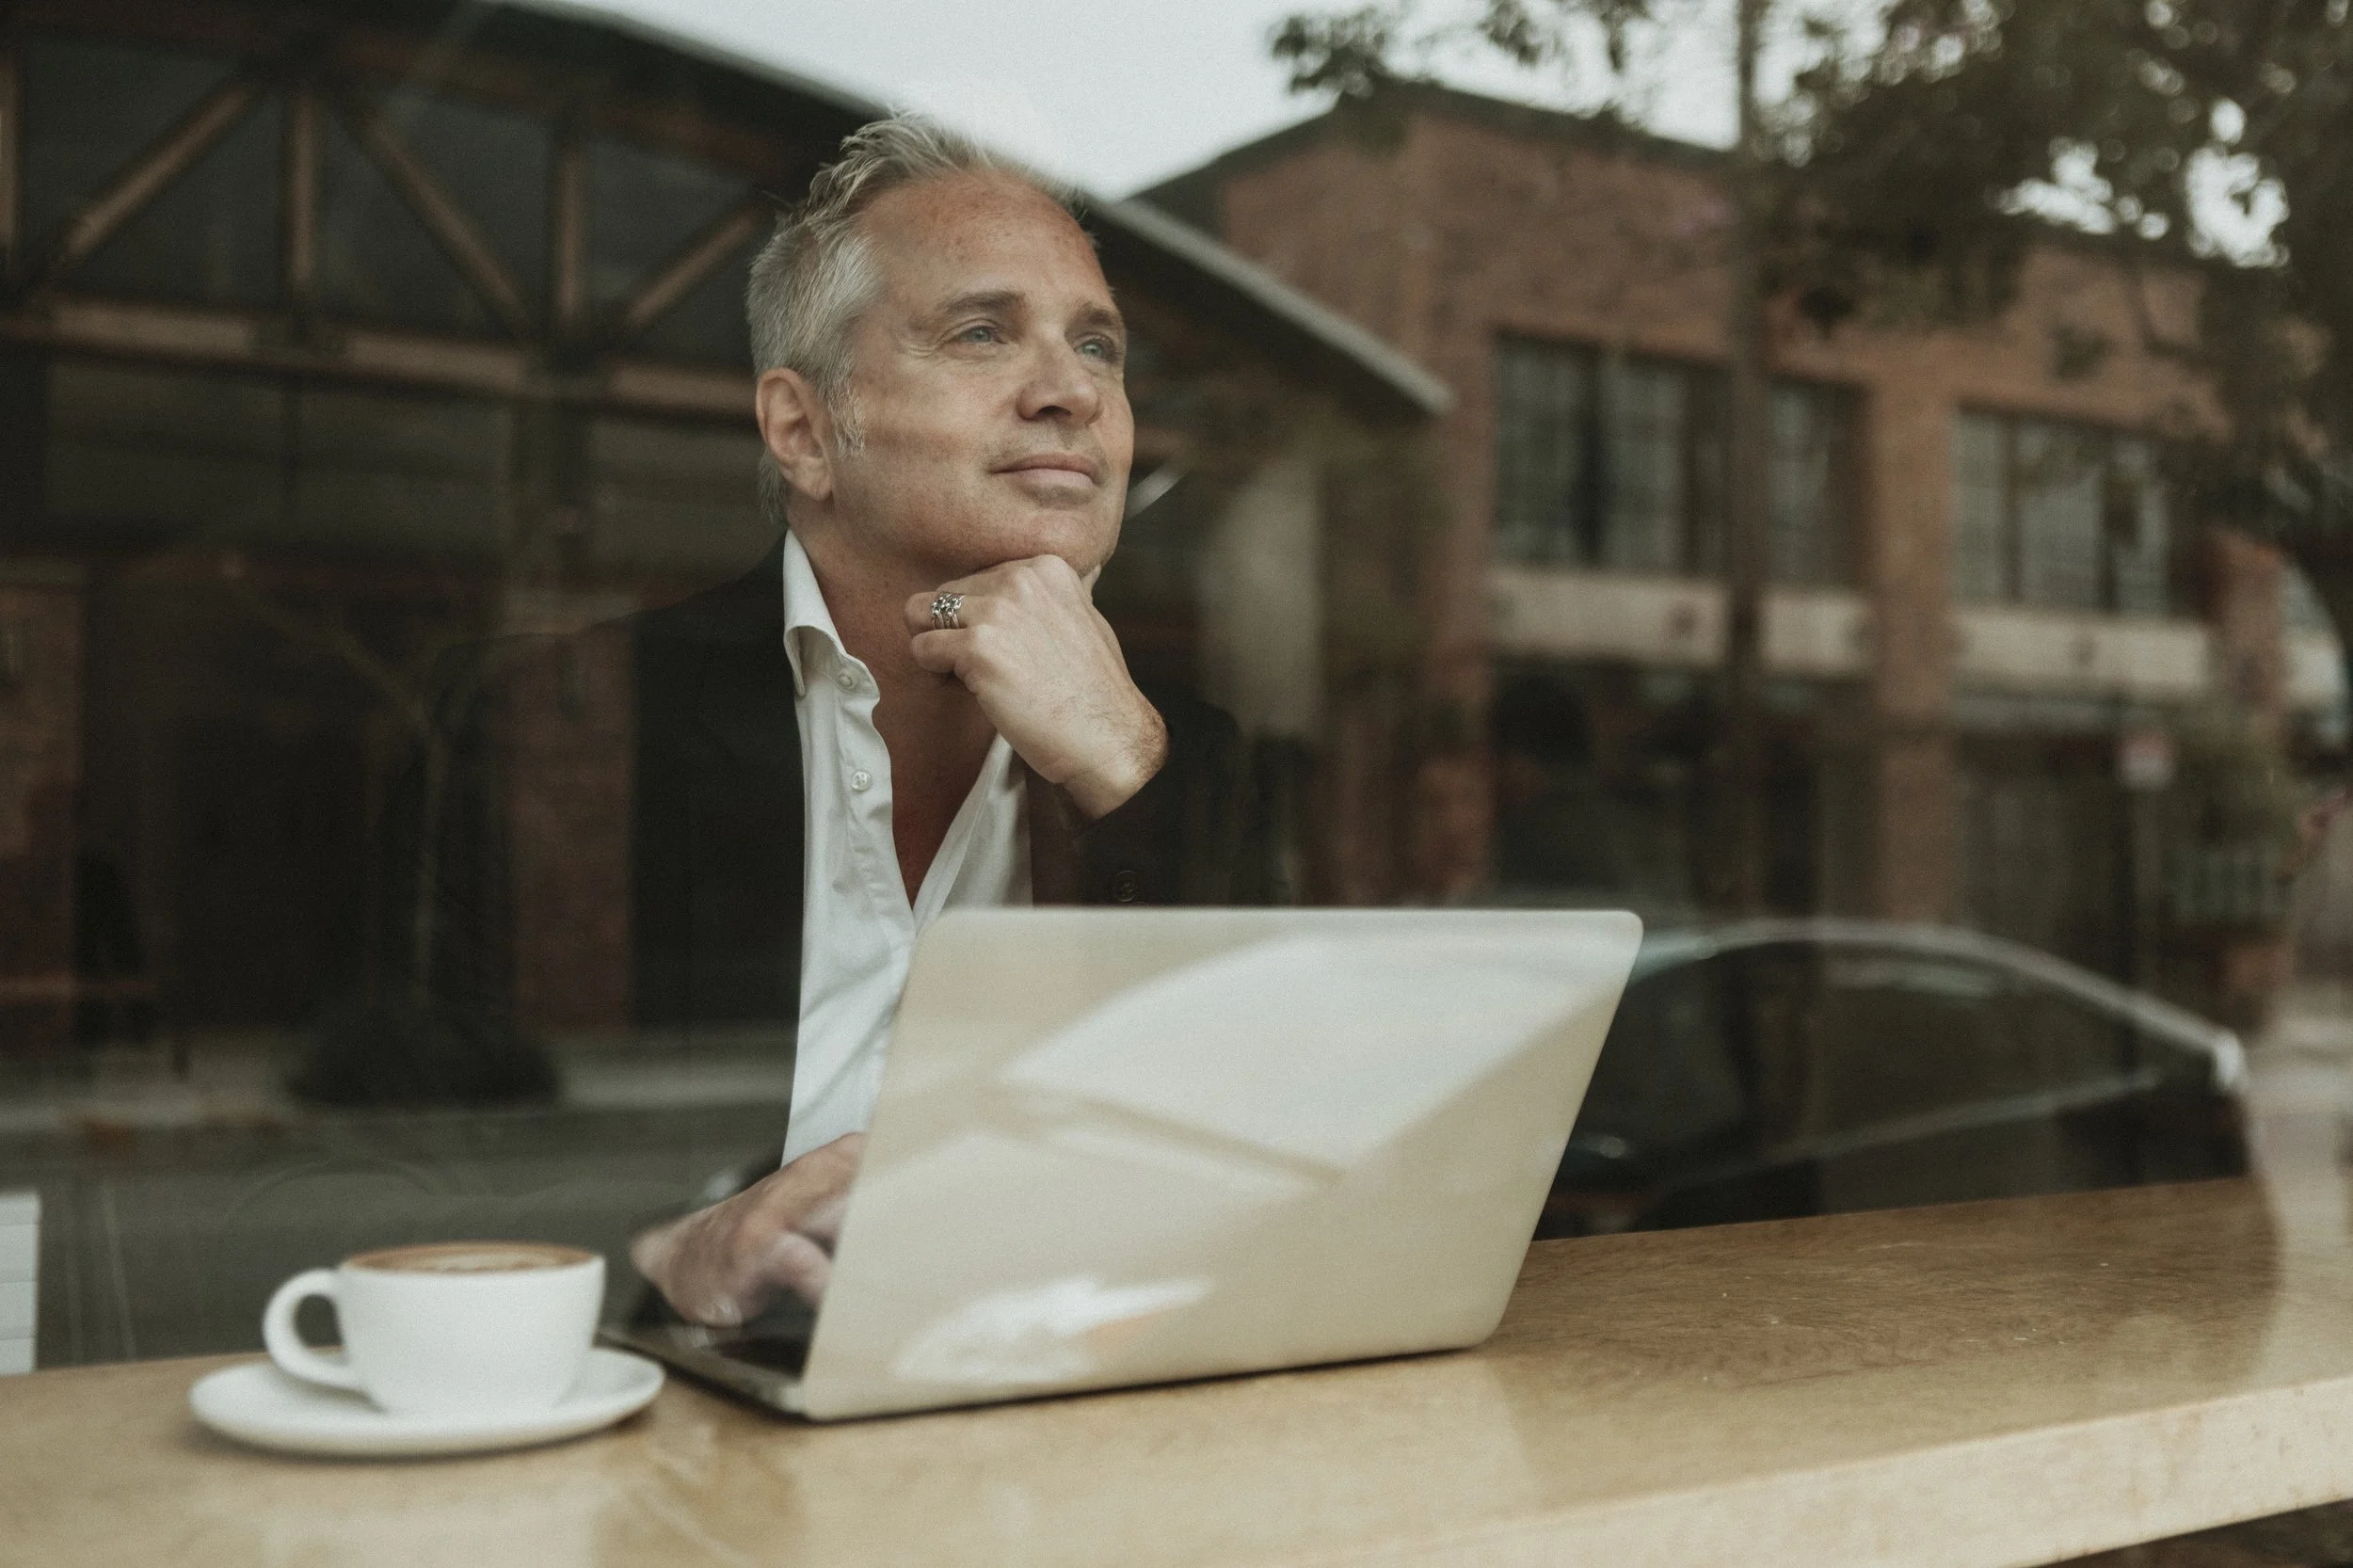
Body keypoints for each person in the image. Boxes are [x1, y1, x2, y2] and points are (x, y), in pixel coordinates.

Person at [615, 119, 1258, 1327]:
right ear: (804, 430)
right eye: (979, 331)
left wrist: (1127, 771)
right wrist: (661, 1255)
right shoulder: (588, 724)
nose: (1072, 393)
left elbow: (1282, 1167)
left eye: (1099, 348)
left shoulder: (1186, 764)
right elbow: (379, 1188)